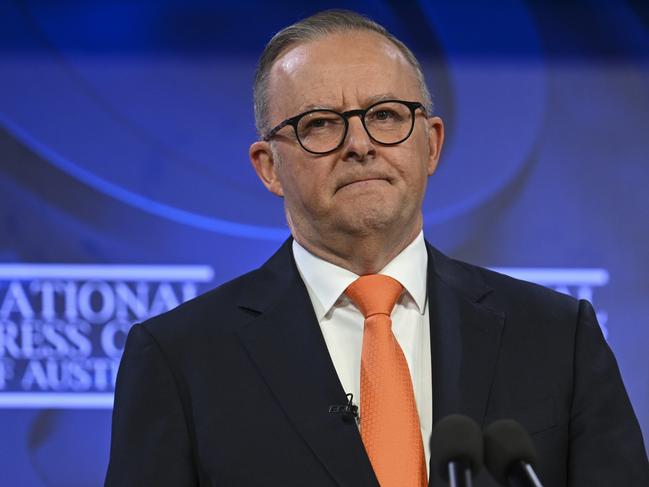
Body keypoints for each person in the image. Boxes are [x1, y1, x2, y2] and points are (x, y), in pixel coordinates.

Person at [105, 9, 649, 487]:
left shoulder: (558, 337)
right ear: (269, 167)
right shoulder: (181, 359)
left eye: (385, 115)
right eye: (319, 124)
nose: (360, 145)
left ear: (431, 144)